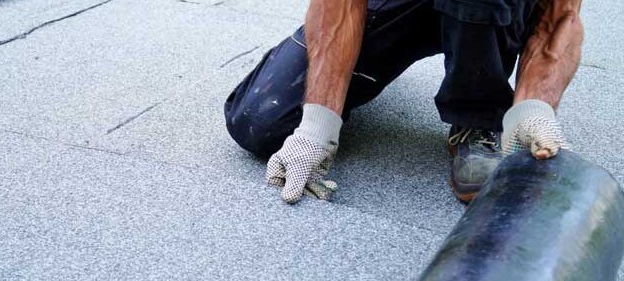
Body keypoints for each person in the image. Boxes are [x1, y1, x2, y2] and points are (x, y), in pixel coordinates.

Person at [224, 0, 583, 204]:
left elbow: (561, 13)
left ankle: (477, 115)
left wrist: (534, 106)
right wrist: (318, 124)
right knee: (260, 122)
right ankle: (360, 69)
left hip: (488, 11)